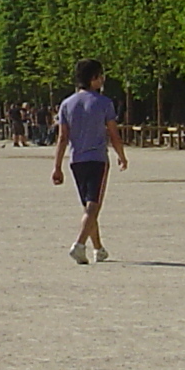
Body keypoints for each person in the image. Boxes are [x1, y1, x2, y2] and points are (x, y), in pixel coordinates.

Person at [52, 59, 128, 264]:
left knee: (88, 207)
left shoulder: (67, 104)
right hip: (97, 160)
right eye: (100, 75)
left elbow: (62, 137)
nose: (103, 79)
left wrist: (57, 166)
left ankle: (98, 248)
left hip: (76, 160)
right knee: (94, 206)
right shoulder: (104, 103)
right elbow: (113, 134)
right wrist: (121, 156)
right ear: (93, 78)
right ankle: (79, 244)